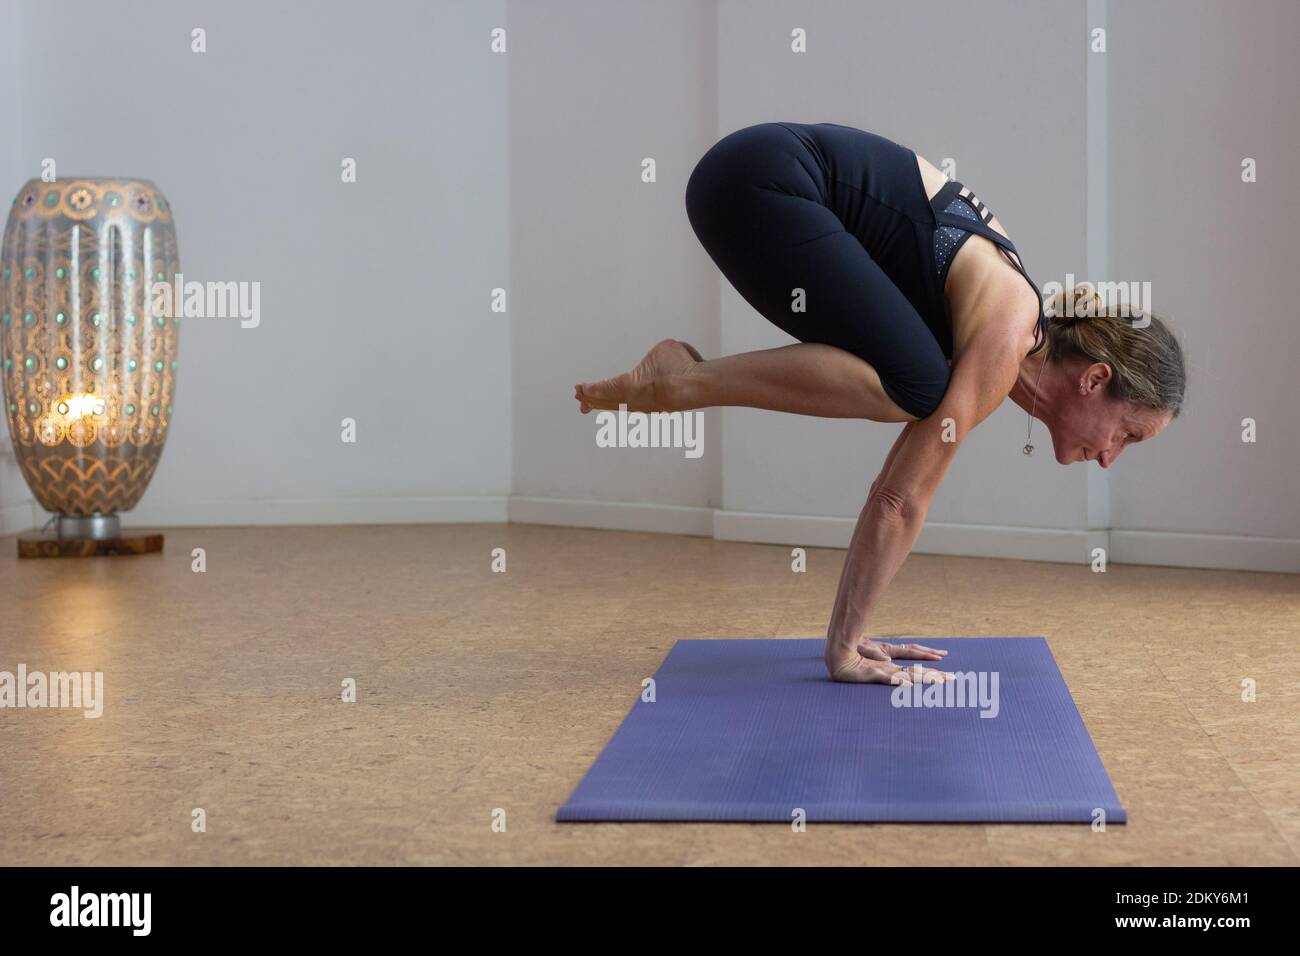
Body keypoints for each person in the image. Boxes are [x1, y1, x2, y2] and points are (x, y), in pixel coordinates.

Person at [574, 122, 1186, 685]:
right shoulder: (1007, 333)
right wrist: (842, 651)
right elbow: (900, 499)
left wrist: (851, 636)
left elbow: (891, 488)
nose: (1110, 458)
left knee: (917, 382)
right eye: (1128, 435)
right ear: (1095, 379)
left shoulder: (996, 344)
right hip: (758, 180)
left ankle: (684, 377)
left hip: (738, 183)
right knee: (918, 387)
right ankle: (682, 380)